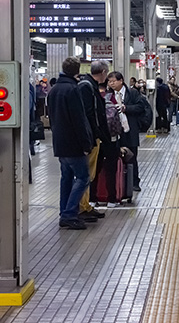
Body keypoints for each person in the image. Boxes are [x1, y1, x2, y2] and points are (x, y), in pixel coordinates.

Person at [47, 57, 94, 230]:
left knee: (66, 178)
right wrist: (86, 143)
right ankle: (69, 214)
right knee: (83, 178)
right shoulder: (73, 90)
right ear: (78, 70)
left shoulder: (54, 90)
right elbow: (79, 120)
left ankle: (64, 212)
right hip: (74, 144)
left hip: (60, 143)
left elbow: (51, 117)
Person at [77, 60, 110, 221]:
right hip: (90, 137)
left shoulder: (89, 85)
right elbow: (89, 114)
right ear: (103, 72)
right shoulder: (87, 86)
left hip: (92, 136)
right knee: (86, 173)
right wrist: (95, 134)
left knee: (89, 173)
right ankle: (82, 207)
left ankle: (86, 205)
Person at [108, 71, 143, 192]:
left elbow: (141, 107)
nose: (111, 84)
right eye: (109, 81)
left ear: (121, 81)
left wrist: (126, 108)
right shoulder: (108, 95)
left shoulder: (132, 93)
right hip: (115, 131)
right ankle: (120, 182)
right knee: (115, 156)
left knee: (131, 156)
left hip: (130, 130)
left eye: (113, 81)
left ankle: (134, 182)